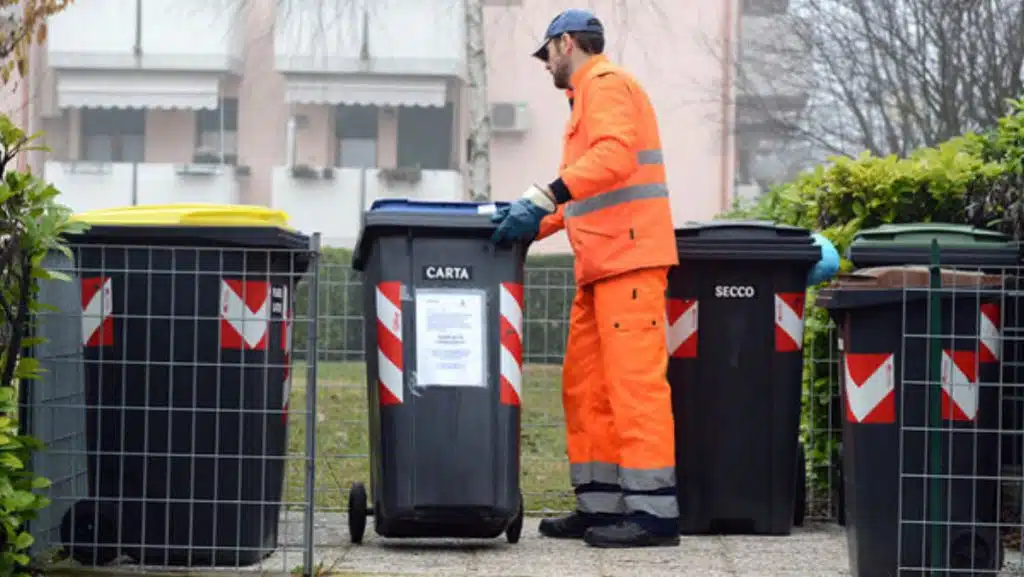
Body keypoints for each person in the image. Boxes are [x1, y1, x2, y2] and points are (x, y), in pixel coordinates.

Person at [489, 8, 681, 548]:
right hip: (602, 269)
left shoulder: (606, 84)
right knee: (586, 389)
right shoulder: (585, 103)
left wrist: (542, 196)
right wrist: (528, 224)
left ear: (566, 43)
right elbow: (584, 193)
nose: (544, 64)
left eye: (545, 53)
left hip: (630, 265)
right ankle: (599, 505)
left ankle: (653, 515)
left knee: (633, 389)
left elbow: (615, 160)